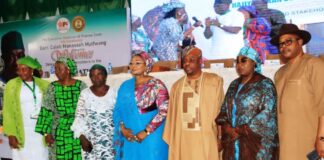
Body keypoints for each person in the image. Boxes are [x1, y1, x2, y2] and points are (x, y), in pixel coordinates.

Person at [271, 24, 324, 159]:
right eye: (280, 44)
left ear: (300, 42)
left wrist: (322, 139)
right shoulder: (279, 73)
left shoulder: (314, 64)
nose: (283, 46)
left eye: (288, 41)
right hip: (284, 143)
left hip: (308, 141)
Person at [216, 47, 278, 160]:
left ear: (254, 62)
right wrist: (228, 129)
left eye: (244, 60)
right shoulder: (233, 85)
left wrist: (241, 130)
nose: (239, 64)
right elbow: (224, 110)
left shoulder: (265, 85)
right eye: (237, 61)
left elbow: (267, 114)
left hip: (256, 146)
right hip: (233, 144)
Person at [163, 46, 224, 160]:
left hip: (207, 138)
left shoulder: (214, 82)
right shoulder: (176, 87)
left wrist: (220, 137)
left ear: (200, 61)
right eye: (184, 61)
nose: (187, 64)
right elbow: (172, 119)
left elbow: (221, 112)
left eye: (191, 60)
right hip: (183, 139)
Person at [113, 51, 169, 160]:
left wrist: (146, 131)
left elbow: (164, 110)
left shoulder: (157, 85)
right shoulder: (125, 86)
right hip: (130, 137)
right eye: (131, 63)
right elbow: (117, 110)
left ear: (147, 64)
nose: (133, 66)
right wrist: (123, 129)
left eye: (137, 63)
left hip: (152, 137)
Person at [35, 57, 87, 160]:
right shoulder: (52, 87)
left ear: (68, 70)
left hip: (77, 131)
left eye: (60, 69)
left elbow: (87, 109)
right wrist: (47, 133)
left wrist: (86, 131)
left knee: (77, 156)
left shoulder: (81, 86)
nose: (56, 72)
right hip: (58, 132)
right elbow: (46, 110)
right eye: (55, 69)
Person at [3, 56, 49, 160]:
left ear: (31, 70)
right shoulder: (12, 85)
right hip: (21, 132)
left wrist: (49, 132)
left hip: (40, 132)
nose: (20, 72)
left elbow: (50, 109)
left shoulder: (44, 85)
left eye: (24, 69)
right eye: (18, 69)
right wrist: (11, 134)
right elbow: (8, 111)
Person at [71, 64, 116, 159]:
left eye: (99, 74)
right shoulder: (85, 94)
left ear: (105, 75)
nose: (96, 77)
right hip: (90, 142)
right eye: (92, 75)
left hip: (110, 142)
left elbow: (120, 117)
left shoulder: (114, 93)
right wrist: (82, 138)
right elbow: (79, 117)